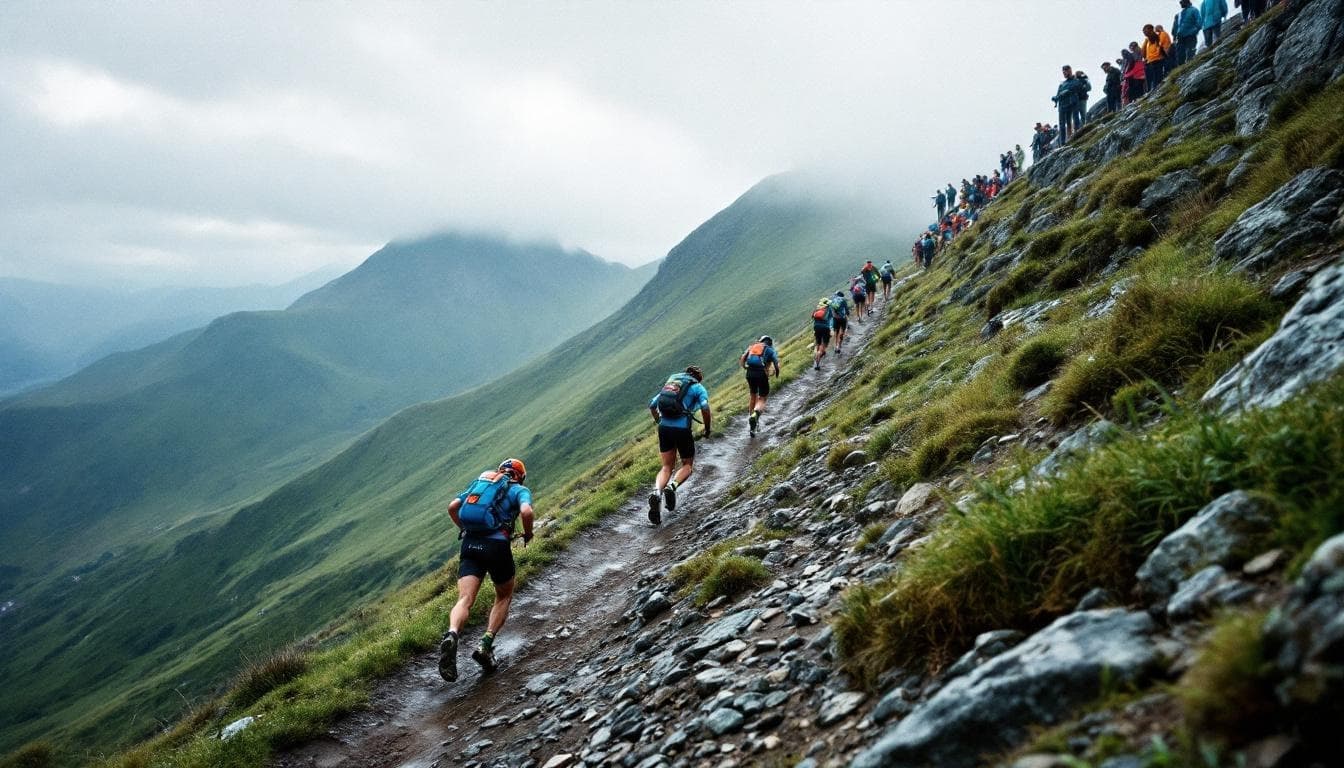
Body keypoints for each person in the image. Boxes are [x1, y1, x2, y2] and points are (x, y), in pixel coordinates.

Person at [438, 458, 535, 681]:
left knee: (465, 599)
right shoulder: (519, 490)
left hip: (470, 545)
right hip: (496, 547)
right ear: (520, 476)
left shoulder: (481, 484)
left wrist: (465, 529)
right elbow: (527, 512)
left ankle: (452, 633)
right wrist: (528, 534)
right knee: (503, 596)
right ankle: (485, 644)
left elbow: (453, 507)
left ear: (500, 471)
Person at [647, 366, 710, 525]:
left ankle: (657, 491)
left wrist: (659, 421)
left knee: (666, 467)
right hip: (682, 429)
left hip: (664, 428)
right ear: (698, 378)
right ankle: (672, 487)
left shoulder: (672, 385)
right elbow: (705, 407)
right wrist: (707, 428)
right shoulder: (697, 387)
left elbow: (652, 405)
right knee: (687, 465)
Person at [740, 336, 780, 436]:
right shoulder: (770, 350)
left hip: (750, 373)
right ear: (770, 343)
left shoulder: (753, 346)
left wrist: (745, 367)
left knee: (753, 396)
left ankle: (751, 423)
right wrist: (777, 373)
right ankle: (756, 414)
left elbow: (743, 358)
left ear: (761, 341)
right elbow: (776, 363)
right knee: (762, 398)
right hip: (761, 374)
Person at [1052, 65, 1080, 145]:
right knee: (1062, 124)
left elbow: (1076, 87)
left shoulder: (1075, 80)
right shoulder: (1062, 84)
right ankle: (1063, 142)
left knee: (1075, 119)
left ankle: (1077, 135)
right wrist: (1055, 98)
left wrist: (1067, 91)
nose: (1064, 73)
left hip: (1072, 103)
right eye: (1063, 72)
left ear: (1070, 71)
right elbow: (1058, 94)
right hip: (1062, 106)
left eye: (1065, 71)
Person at [1141, 24, 1171, 91]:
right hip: (1151, 62)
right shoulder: (1148, 41)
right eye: (1144, 32)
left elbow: (1166, 47)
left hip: (1160, 60)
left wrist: (1166, 56)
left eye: (1146, 31)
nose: (1145, 33)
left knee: (1159, 78)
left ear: (1151, 30)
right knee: (1155, 80)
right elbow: (1143, 53)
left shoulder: (1161, 35)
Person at [1173, 0, 1203, 68]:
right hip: (1180, 36)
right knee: (1180, 54)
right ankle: (1181, 68)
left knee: (1190, 52)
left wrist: (1194, 31)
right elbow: (1176, 26)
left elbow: (1199, 22)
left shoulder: (1194, 10)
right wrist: (1175, 36)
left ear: (1186, 2)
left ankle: (1191, 66)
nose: (1180, 4)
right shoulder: (1180, 13)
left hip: (1190, 35)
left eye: (1181, 2)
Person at [811, 297, 834, 370]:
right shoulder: (828, 309)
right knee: (823, 344)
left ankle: (816, 356)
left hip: (816, 327)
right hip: (825, 327)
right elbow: (831, 319)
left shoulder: (817, 308)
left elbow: (813, 317)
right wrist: (831, 329)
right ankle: (819, 356)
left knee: (818, 343)